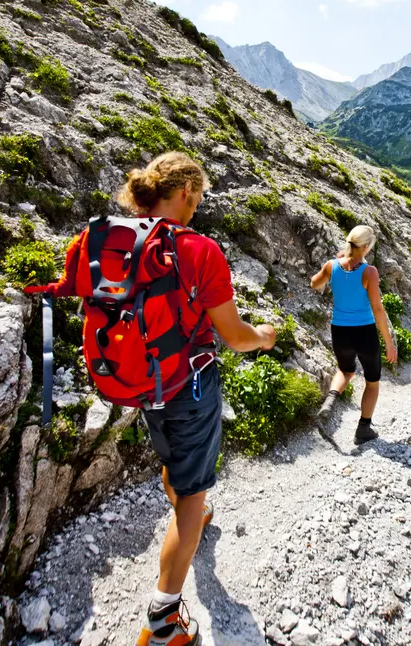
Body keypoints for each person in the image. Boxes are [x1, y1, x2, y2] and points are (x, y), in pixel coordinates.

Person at [120, 153, 277, 646]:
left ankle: (193, 513)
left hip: (142, 384)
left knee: (174, 458)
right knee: (192, 494)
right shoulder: (199, 249)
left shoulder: (121, 239)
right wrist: (265, 336)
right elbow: (233, 334)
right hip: (188, 386)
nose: (199, 206)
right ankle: (163, 618)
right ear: (185, 191)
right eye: (200, 197)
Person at [310, 225, 397, 445]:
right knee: (372, 382)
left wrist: (333, 267)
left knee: (346, 371)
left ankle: (330, 401)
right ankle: (363, 429)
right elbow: (377, 309)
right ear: (366, 247)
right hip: (365, 332)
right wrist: (389, 343)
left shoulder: (332, 266)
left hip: (339, 330)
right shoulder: (369, 272)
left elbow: (314, 283)